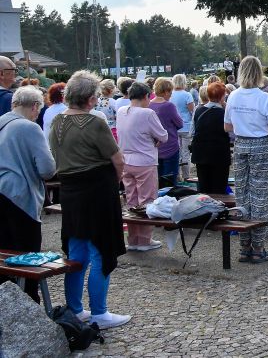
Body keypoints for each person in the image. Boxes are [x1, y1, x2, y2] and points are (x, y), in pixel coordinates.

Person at [48, 71, 130, 329]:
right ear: (90, 98)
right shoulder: (94, 123)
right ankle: (99, 312)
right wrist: (114, 184)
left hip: (71, 191)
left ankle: (75, 309)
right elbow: (118, 160)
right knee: (101, 251)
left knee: (77, 252)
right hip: (97, 191)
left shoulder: (56, 122)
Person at [224, 56, 268, 264]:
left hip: (241, 146)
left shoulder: (233, 96)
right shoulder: (265, 98)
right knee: (261, 196)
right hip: (262, 147)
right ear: (259, 74)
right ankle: (258, 247)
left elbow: (227, 127)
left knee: (243, 194)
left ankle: (244, 246)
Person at [0, 86, 56, 301]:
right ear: (35, 107)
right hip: (20, 196)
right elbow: (47, 169)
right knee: (27, 253)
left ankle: (6, 302)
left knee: (4, 250)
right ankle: (29, 301)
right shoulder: (30, 128)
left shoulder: (1, 121)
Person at [115, 81, 167, 252]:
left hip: (126, 160)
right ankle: (144, 240)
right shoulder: (147, 113)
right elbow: (163, 135)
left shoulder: (121, 111)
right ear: (146, 96)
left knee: (131, 200)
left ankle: (133, 239)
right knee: (146, 200)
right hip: (144, 161)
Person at [190, 82, 231, 194]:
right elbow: (232, 134)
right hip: (220, 154)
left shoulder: (198, 110)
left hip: (200, 154)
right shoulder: (224, 113)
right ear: (222, 96)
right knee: (219, 187)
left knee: (204, 187)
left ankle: (205, 209)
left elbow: (192, 132)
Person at [149, 78, 183, 188]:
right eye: (170, 92)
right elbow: (179, 123)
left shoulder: (148, 105)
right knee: (170, 181)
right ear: (166, 91)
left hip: (154, 147)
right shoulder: (169, 106)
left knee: (157, 181)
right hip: (170, 146)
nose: (171, 95)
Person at [170, 74, 195, 180]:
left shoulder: (170, 95)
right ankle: (186, 176)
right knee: (185, 152)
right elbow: (192, 111)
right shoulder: (187, 95)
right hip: (186, 126)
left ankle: (177, 175)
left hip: (174, 127)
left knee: (176, 152)